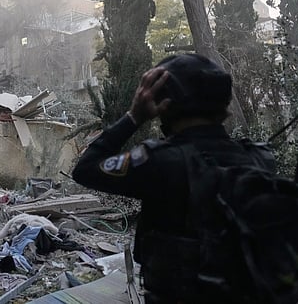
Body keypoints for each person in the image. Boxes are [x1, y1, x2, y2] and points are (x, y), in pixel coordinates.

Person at [72, 53, 276, 303]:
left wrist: (134, 116)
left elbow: (85, 169)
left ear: (164, 105)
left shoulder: (160, 161)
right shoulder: (258, 159)